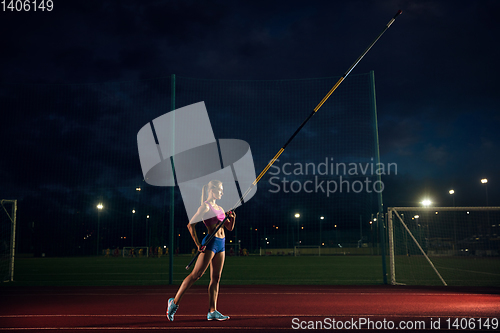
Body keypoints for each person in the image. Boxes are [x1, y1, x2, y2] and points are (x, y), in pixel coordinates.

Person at [166, 180, 236, 322]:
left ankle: (212, 311)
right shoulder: (205, 207)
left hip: (221, 244)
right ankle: (173, 303)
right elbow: (190, 225)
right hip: (210, 243)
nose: (222, 192)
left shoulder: (221, 208)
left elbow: (229, 228)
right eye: (220, 190)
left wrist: (232, 219)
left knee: (216, 278)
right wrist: (198, 244)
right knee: (196, 275)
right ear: (212, 190)